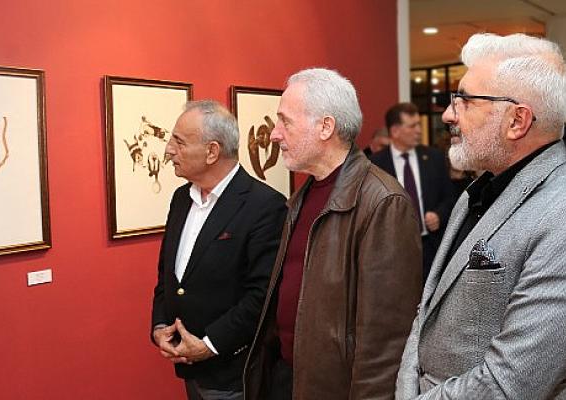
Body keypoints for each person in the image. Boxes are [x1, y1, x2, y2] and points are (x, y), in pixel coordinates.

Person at [395, 33, 566, 399]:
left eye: (465, 101)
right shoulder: (478, 191)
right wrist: (407, 387)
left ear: (517, 120)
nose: (448, 115)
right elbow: (427, 314)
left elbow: (509, 382)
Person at [243, 68, 423, 400]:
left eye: (285, 122)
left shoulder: (383, 202)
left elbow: (386, 341)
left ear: (326, 127)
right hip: (288, 378)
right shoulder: (301, 198)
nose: (275, 134)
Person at [150, 100, 287, 400]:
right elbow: (167, 275)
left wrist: (209, 345)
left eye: (179, 142)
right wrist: (159, 326)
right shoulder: (181, 199)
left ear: (212, 152)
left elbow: (262, 294)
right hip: (190, 368)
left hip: (235, 373)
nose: (169, 150)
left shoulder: (264, 206)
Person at [370, 102, 455, 280]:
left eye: (418, 124)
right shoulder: (375, 165)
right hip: (392, 251)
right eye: (412, 126)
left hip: (430, 248)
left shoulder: (434, 157)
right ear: (395, 131)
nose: (419, 130)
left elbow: (450, 197)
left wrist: (439, 215)